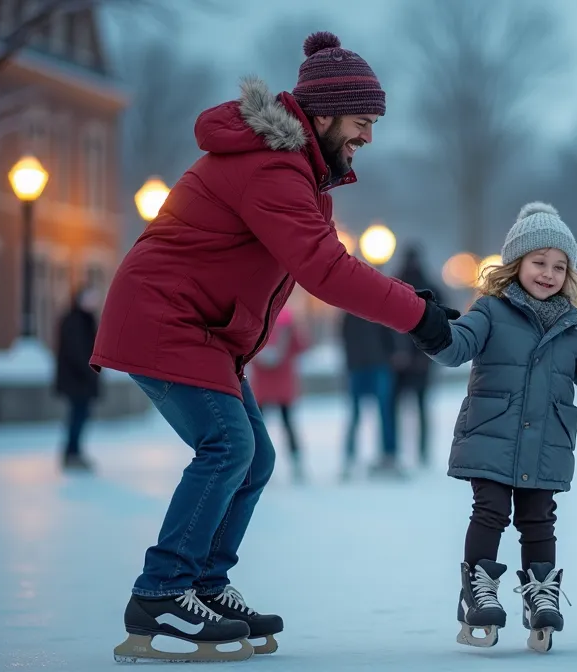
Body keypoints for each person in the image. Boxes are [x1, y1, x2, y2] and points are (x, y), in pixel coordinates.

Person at [92, 32, 459, 663]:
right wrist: (417, 316)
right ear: (322, 115)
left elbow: (331, 262)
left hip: (201, 332)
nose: (368, 137)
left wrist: (411, 298)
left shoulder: (303, 174)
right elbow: (323, 270)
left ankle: (202, 584)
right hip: (165, 320)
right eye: (362, 122)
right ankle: (162, 591)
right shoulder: (271, 165)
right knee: (228, 445)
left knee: (254, 457)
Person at [427, 202, 577, 653]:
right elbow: (456, 346)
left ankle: (541, 593)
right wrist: (430, 329)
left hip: (547, 442)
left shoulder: (574, 325)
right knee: (491, 511)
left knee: (539, 520)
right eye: (539, 262)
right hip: (493, 435)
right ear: (517, 263)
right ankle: (478, 590)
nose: (549, 273)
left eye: (559, 266)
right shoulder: (489, 311)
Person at [392, 246, 443, 467]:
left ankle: (394, 451)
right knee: (421, 408)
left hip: (399, 359)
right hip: (424, 357)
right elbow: (443, 321)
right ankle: (422, 453)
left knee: (395, 408)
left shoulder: (396, 284)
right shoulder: (431, 287)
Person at [248, 306, 310, 482]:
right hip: (284, 386)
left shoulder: (258, 324)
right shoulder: (289, 325)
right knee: (288, 425)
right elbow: (303, 347)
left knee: (257, 429)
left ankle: (255, 464)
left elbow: (245, 352)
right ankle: (297, 462)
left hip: (262, 387)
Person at [340, 311, 399, 479]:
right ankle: (350, 458)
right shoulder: (350, 312)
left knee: (384, 412)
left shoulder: (366, 306)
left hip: (375, 364)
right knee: (357, 413)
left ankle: (388, 456)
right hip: (362, 365)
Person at [54, 286, 102, 472]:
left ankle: (74, 451)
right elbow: (77, 352)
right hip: (77, 381)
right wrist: (89, 370)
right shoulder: (75, 321)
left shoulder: (85, 320)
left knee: (80, 416)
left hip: (80, 381)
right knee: (77, 416)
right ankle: (72, 453)